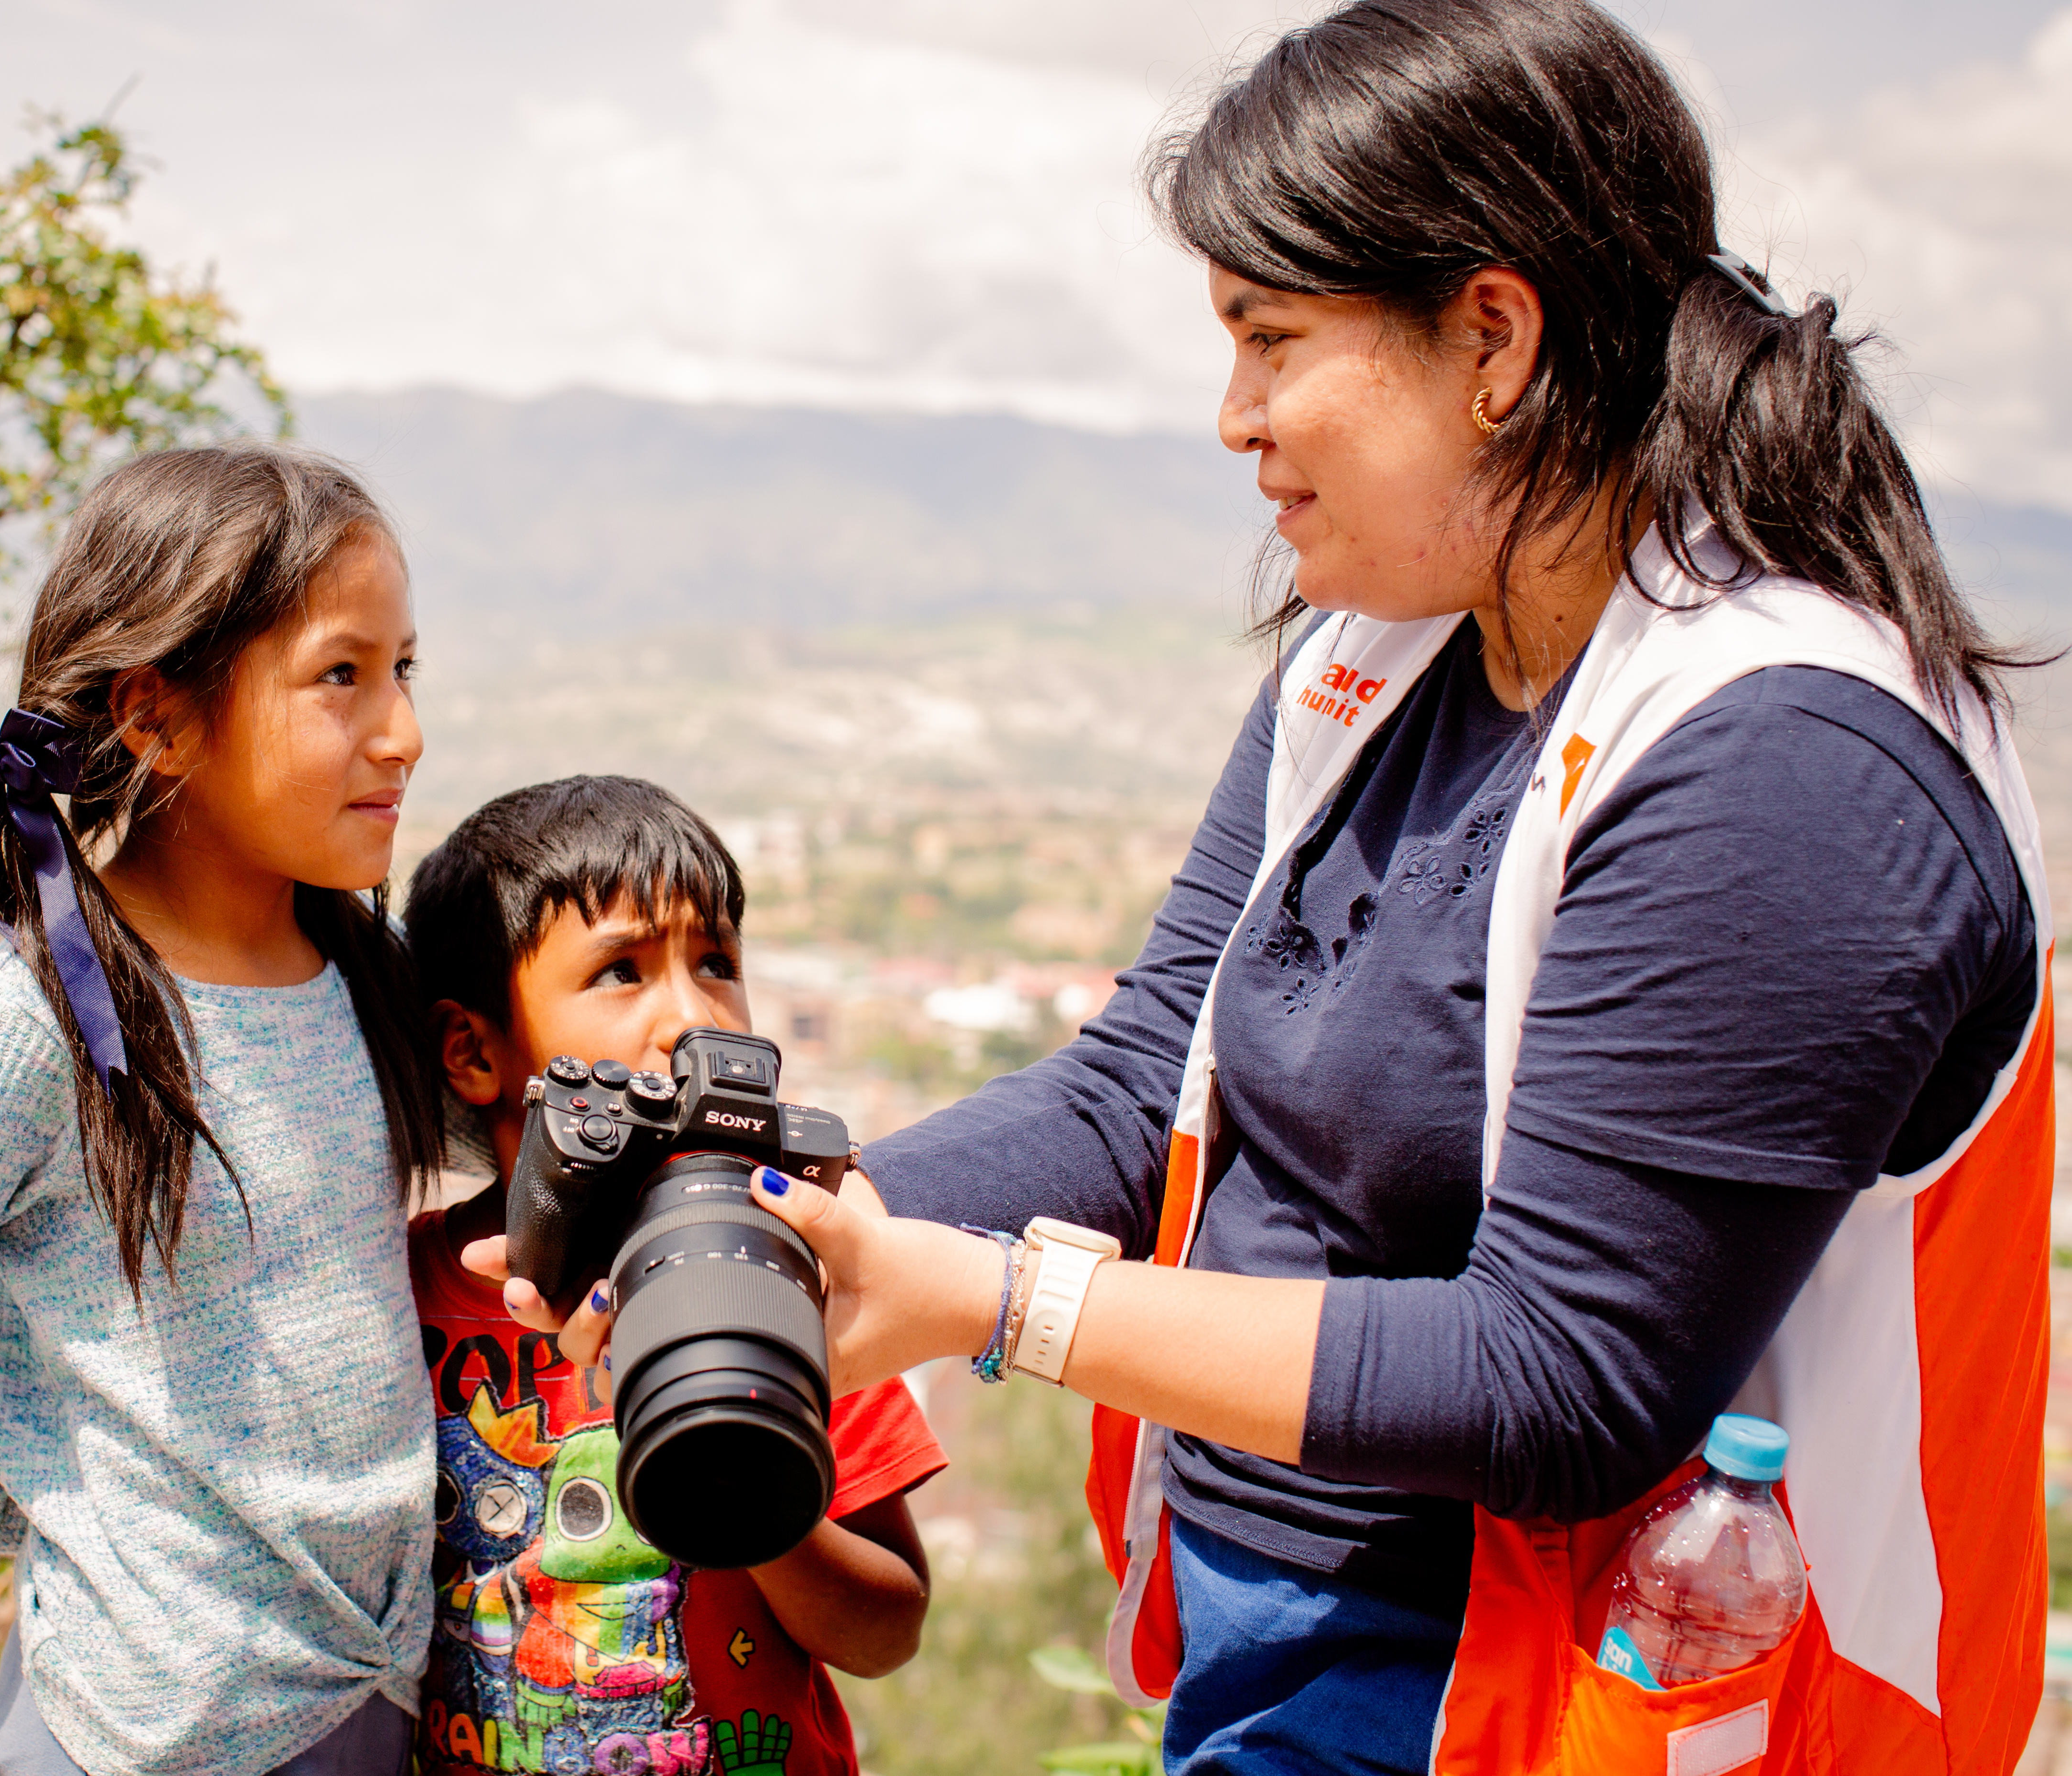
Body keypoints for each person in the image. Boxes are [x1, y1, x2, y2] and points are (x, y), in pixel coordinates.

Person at [509, 2, 2054, 1770]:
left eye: (1267, 340)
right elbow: (1136, 1088)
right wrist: (736, 1233)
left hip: (1592, 1705)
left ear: (1492, 337)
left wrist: (1001, 1305)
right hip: (1285, 1647)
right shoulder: (1378, 656)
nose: (1233, 417)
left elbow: (1562, 1382)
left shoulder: (1780, 766)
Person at [0, 444, 445, 1776]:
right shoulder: (38, 1025)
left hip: (375, 1704)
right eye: (341, 674)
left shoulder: (366, 974)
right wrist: (84, 1506)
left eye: (403, 669)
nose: (399, 727)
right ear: (156, 716)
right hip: (143, 1730)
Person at [403, 776, 943, 1776]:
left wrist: (747, 1496)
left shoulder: (788, 1275)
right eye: (621, 972)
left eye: (715, 963)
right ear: (471, 1050)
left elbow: (886, 1632)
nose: (690, 1019)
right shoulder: (396, 1305)